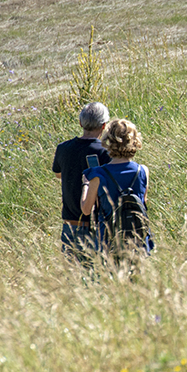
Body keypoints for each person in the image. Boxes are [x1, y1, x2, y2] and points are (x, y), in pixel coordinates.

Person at [79, 118, 152, 269]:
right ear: (134, 141)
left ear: (108, 141)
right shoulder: (142, 171)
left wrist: (86, 183)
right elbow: (142, 203)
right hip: (137, 240)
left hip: (108, 242)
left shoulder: (97, 174)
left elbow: (86, 209)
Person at [52, 102, 111, 263]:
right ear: (104, 125)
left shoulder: (63, 148)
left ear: (80, 123)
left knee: (74, 280)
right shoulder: (106, 151)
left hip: (70, 224)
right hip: (97, 225)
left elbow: (58, 174)